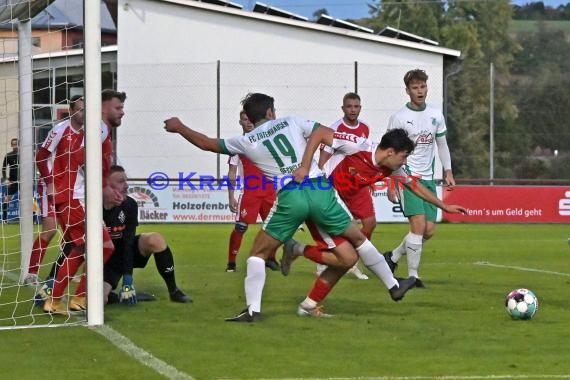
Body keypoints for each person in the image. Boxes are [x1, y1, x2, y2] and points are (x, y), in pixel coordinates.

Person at [164, 92, 418, 323]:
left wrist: (180, 128)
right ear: (271, 112)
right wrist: (314, 161)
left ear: (250, 118)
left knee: (258, 253)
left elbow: (208, 144)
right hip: (320, 190)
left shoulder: (245, 141)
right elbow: (325, 134)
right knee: (358, 239)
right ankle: (392, 286)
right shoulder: (292, 121)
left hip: (290, 197)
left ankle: (253, 309)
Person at [282, 127, 466, 317]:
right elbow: (319, 133)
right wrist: (305, 167)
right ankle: (393, 286)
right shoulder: (357, 145)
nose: (404, 162)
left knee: (346, 259)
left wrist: (444, 206)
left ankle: (307, 301)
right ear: (390, 152)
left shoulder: (391, 167)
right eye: (403, 156)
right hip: (319, 198)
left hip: (334, 205)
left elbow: (414, 185)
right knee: (355, 246)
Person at [42, 90, 125, 314]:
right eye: (118, 108)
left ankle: (67, 298)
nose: (122, 112)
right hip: (74, 198)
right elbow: (78, 158)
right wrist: (102, 185)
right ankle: (67, 298)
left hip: (76, 198)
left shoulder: (98, 130)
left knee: (88, 247)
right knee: (101, 246)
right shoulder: (97, 128)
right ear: (104, 107)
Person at [384, 69, 456, 288]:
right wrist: (390, 182)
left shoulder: (435, 114)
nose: (420, 91)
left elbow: (441, 144)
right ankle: (413, 276)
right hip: (406, 177)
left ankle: (393, 257)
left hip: (428, 179)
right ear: (407, 91)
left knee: (429, 230)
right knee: (418, 225)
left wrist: (448, 170)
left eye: (422, 86)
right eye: (415, 88)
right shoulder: (399, 118)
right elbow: (388, 151)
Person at [103, 165, 191, 304]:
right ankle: (117, 297)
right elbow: (73, 243)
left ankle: (174, 291)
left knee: (155, 239)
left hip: (124, 253)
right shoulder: (91, 206)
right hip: (103, 260)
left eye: (126, 181)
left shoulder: (130, 205)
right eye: (120, 182)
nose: (126, 185)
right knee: (99, 300)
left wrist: (128, 280)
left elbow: (128, 242)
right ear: (105, 185)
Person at [25, 96, 84, 286]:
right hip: (51, 186)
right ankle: (31, 274)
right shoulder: (60, 130)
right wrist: (50, 182)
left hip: (70, 189)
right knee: (50, 230)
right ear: (72, 110)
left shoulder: (87, 133)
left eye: (86, 109)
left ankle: (62, 271)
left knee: (72, 234)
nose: (83, 113)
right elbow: (41, 156)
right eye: (80, 109)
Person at [315, 92, 372, 280]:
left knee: (369, 223)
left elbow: (363, 157)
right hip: (337, 181)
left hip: (357, 183)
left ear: (360, 108)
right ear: (343, 108)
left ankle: (352, 260)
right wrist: (322, 184)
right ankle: (325, 262)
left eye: (356, 106)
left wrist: (368, 179)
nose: (353, 110)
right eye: (349, 106)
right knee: (341, 225)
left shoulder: (365, 128)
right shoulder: (335, 129)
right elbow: (323, 160)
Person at [226, 110, 279, 272]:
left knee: (274, 227)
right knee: (241, 227)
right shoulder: (237, 145)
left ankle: (270, 258)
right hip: (250, 193)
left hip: (270, 191)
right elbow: (232, 174)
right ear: (240, 122)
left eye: (251, 119)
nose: (248, 122)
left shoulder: (267, 141)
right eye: (244, 119)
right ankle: (231, 263)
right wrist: (231, 197)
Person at [2, 138, 19, 222]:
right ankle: (5, 220)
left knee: (31, 200)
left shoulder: (24, 155)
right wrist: (5, 179)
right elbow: (3, 168)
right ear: (11, 145)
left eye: (16, 144)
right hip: (12, 182)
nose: (15, 146)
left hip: (23, 182)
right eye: (13, 144)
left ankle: (34, 220)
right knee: (6, 200)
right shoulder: (8, 155)